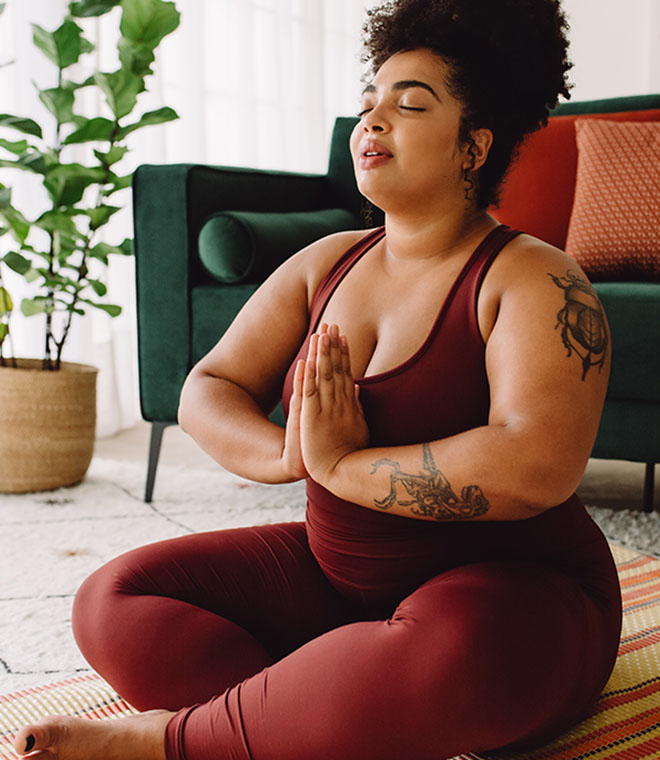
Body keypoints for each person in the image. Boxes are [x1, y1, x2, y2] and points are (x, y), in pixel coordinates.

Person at [14, 1, 622, 759]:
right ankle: (299, 719)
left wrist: (342, 466)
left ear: (474, 146)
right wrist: (289, 457)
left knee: (446, 659)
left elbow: (537, 465)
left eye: (409, 104)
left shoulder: (532, 278)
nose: (372, 120)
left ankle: (178, 741)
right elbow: (209, 386)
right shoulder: (325, 263)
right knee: (113, 600)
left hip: (511, 595)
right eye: (368, 102)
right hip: (339, 588)